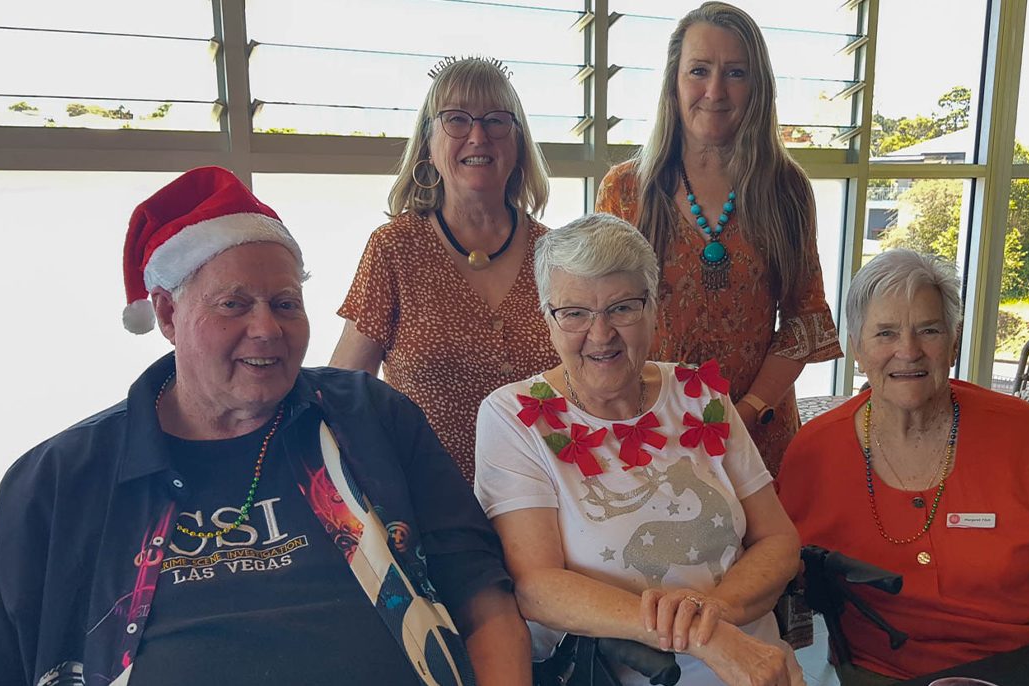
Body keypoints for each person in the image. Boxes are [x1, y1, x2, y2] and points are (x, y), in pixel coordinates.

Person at [0, 167, 530, 685]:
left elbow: (483, 595)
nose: (267, 328)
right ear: (168, 313)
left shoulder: (368, 417)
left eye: (285, 302)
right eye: (234, 304)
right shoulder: (63, 478)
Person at [475, 213, 805, 686]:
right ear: (546, 317)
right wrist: (701, 637)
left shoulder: (700, 394)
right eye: (574, 313)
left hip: (756, 664)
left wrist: (713, 612)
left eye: (622, 307)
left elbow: (778, 540)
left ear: (655, 309)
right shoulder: (514, 416)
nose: (601, 333)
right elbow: (537, 587)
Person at [777, 249, 1029, 684]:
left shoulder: (1019, 433)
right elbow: (777, 573)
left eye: (929, 330)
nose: (908, 351)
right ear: (856, 349)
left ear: (953, 343)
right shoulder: (815, 451)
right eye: (885, 333)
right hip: (888, 672)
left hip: (1025, 664)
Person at [595, 2, 841, 475]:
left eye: (735, 73)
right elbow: (605, 317)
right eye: (699, 71)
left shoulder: (785, 189)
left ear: (758, 87)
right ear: (674, 82)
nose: (714, 90)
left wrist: (743, 414)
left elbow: (803, 321)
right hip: (651, 434)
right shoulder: (626, 190)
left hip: (757, 436)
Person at [332, 55, 559, 483]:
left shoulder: (556, 253)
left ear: (519, 144)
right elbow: (345, 391)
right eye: (456, 120)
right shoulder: (394, 248)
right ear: (429, 145)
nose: (478, 136)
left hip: (547, 496)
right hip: (427, 502)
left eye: (496, 120)